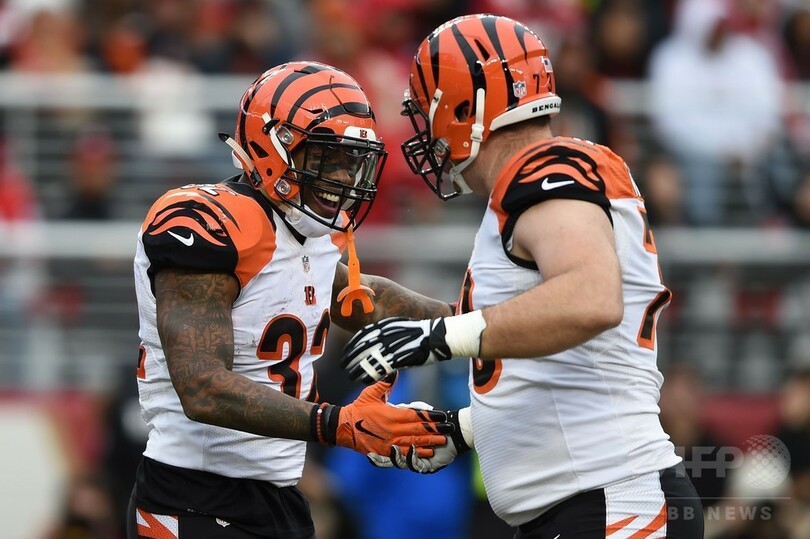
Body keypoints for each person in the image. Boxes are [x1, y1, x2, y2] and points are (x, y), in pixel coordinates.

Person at [341, 14, 705, 538]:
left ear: (465, 107)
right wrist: (464, 429)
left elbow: (591, 300)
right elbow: (557, 359)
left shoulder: (542, 170)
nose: (425, 131)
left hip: (610, 501)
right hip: (588, 502)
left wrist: (438, 336)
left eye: (427, 110)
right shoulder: (538, 181)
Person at [128, 61, 455, 539]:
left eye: (352, 160)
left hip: (279, 494)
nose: (343, 175)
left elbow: (361, 297)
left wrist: (472, 325)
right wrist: (339, 424)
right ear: (273, 144)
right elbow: (203, 388)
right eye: (327, 156)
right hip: (193, 494)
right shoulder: (206, 222)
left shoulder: (306, 233)